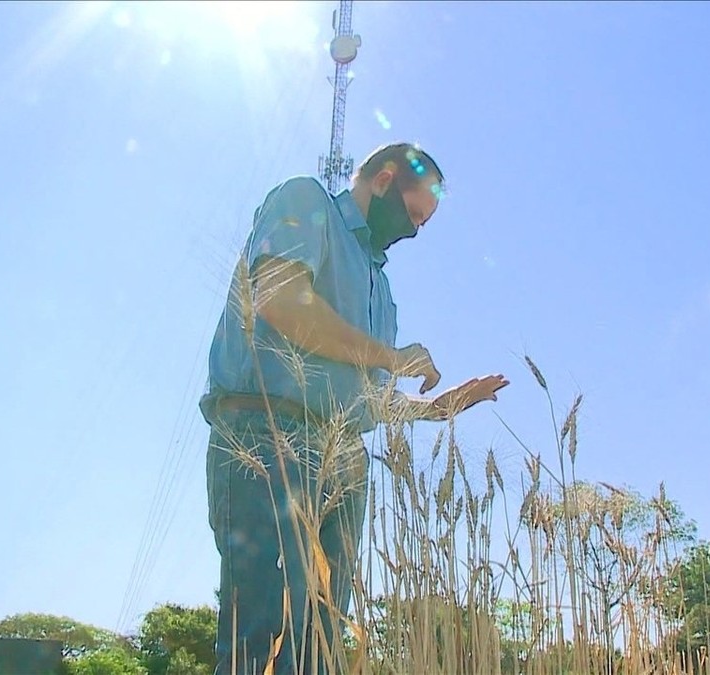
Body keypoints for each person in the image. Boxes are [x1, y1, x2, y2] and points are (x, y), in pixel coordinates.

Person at [199, 142, 509, 674]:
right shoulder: (306, 200)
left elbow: (368, 398)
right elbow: (281, 299)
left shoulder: (380, 286)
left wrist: (438, 408)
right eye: (414, 215)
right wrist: (390, 355)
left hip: (344, 458)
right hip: (267, 437)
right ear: (384, 180)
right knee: (262, 629)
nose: (416, 231)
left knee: (322, 640)